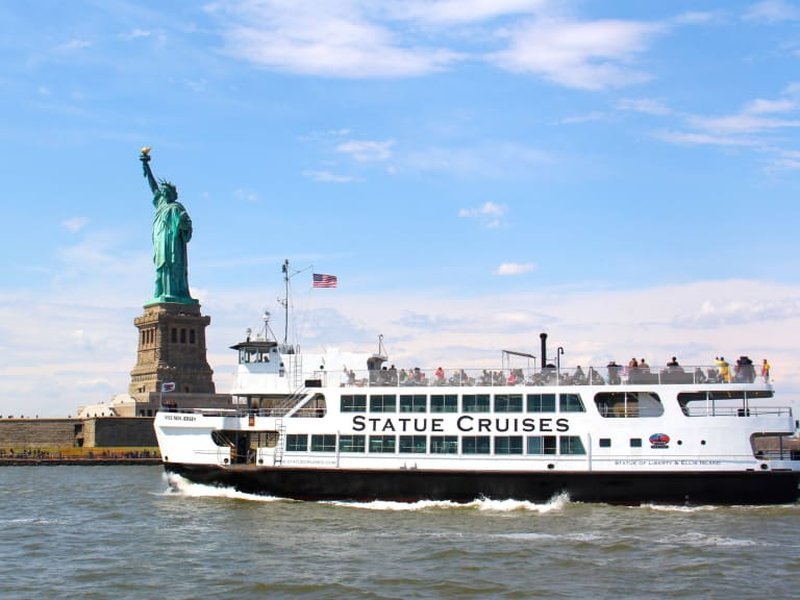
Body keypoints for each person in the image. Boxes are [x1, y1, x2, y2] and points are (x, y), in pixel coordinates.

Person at [140, 148, 195, 304]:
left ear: (172, 194)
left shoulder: (177, 208)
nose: (163, 194)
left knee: (174, 266)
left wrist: (184, 223)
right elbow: (153, 186)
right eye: (162, 192)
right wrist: (146, 166)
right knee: (161, 266)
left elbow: (187, 227)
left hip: (174, 244)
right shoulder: (161, 204)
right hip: (161, 240)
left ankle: (177, 293)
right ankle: (161, 291)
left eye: (166, 192)